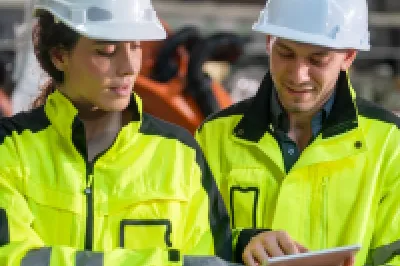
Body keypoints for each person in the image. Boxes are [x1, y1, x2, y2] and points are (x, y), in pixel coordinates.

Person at [0, 0, 232, 265]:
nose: (128, 67)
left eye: (135, 47)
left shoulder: (181, 155)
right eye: (107, 51)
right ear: (59, 56)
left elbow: (211, 255)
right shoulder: (9, 149)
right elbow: (11, 257)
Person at [196, 0, 400, 265]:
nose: (298, 75)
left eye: (318, 59)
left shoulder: (389, 143)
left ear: (348, 56)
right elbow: (190, 244)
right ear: (269, 42)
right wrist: (241, 243)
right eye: (286, 53)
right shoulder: (215, 136)